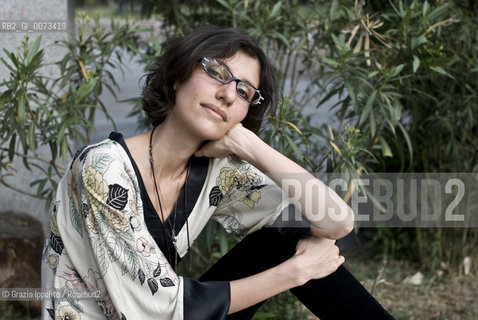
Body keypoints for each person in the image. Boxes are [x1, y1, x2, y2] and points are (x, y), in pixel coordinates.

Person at [41, 25, 394, 320]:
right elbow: (162, 309)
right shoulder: (102, 169)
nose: (227, 94)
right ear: (178, 76)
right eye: (216, 72)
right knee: (292, 257)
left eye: (244, 91)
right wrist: (295, 272)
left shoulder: (217, 172)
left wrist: (250, 146)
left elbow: (336, 222)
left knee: (287, 237)